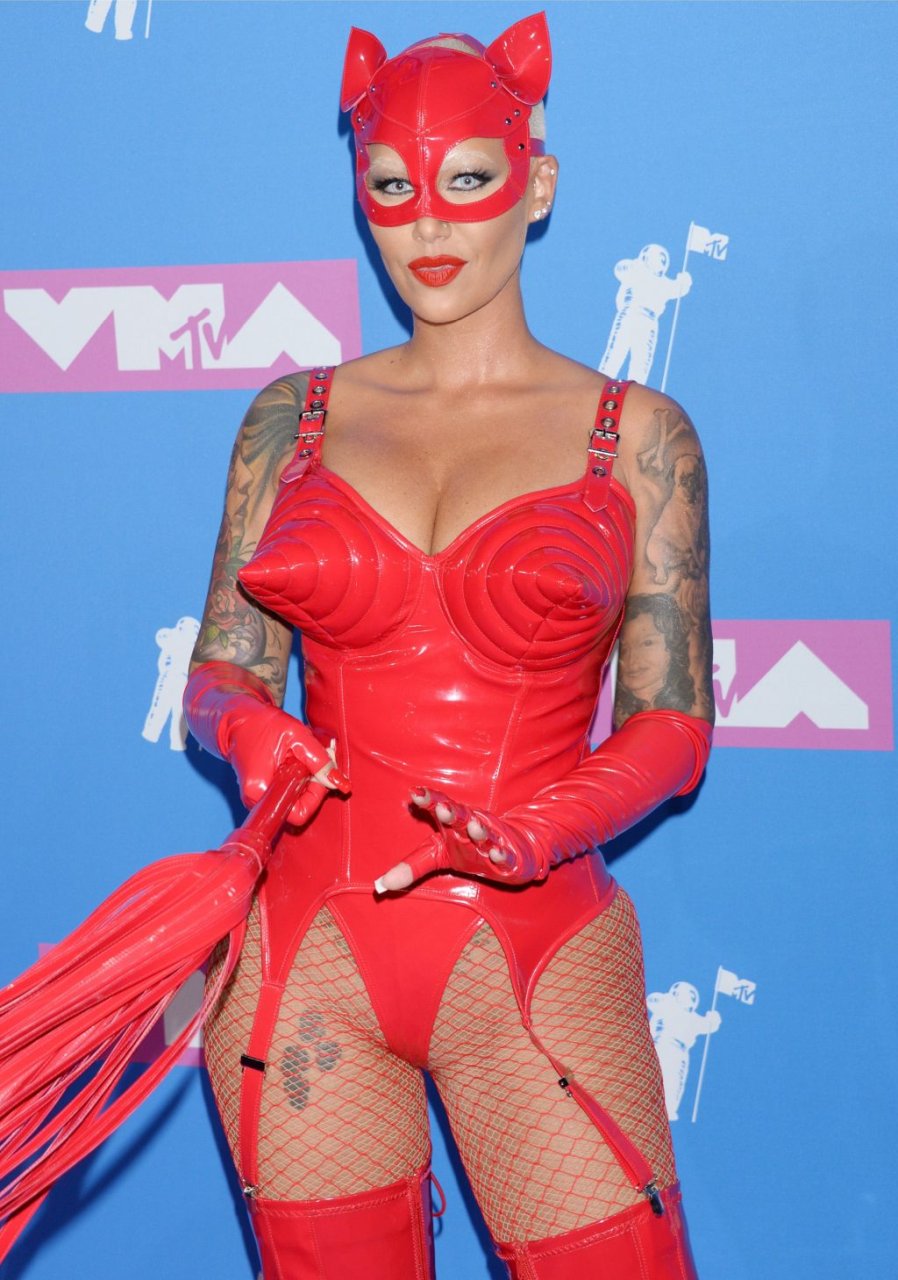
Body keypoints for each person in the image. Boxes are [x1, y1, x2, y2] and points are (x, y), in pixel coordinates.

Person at [183, 13, 714, 1279]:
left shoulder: (639, 434)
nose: (426, 224)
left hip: (534, 944)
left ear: (537, 183)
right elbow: (221, 670)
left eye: (467, 180)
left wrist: (544, 825)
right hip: (298, 954)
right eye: (389, 188)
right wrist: (249, 728)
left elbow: (673, 726)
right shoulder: (291, 418)